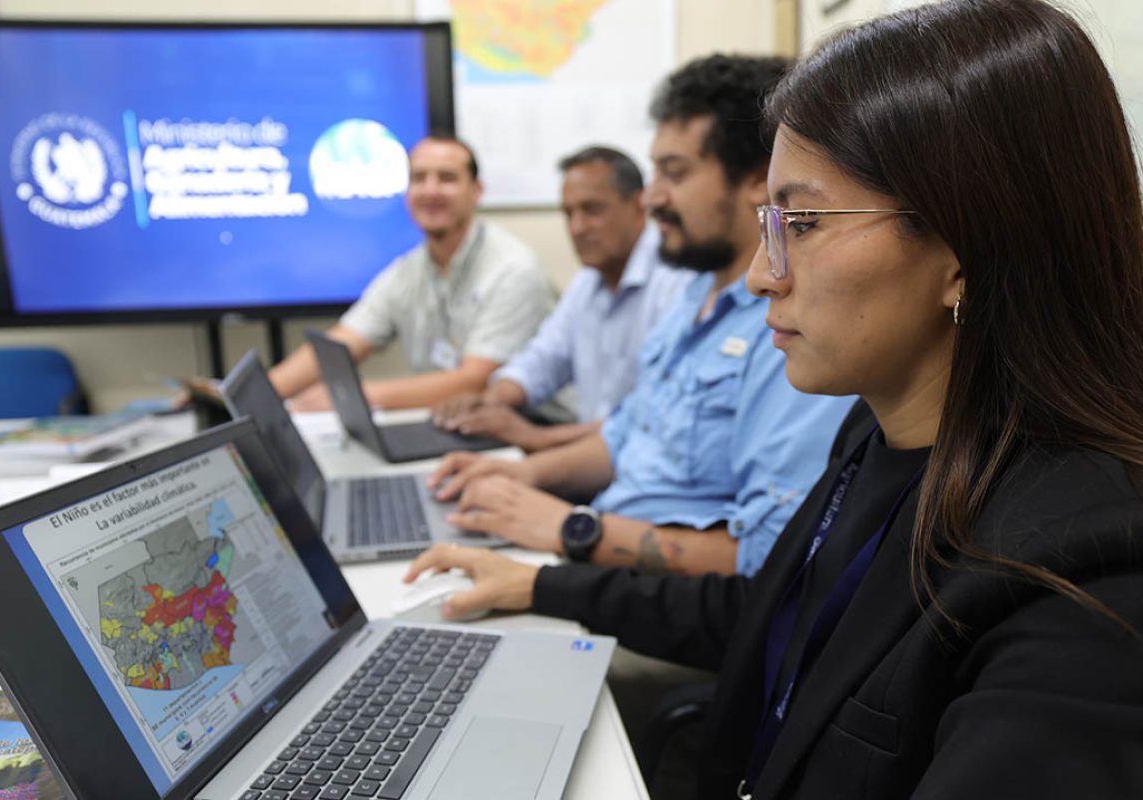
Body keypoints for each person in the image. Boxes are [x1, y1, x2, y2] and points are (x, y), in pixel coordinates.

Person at [405, 1, 1143, 797]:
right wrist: (544, 584)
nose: (762, 274)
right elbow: (772, 616)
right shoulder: (876, 432)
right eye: (770, 222)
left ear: (967, 248)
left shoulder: (1082, 582)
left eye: (804, 221)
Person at [428, 55, 854, 578]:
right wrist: (521, 475)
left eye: (675, 173)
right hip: (601, 548)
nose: (651, 196)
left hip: (646, 586)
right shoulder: (695, 293)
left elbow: (770, 559)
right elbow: (628, 436)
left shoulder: (789, 329)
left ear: (754, 180)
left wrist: (570, 529)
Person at [431, 145, 692, 452]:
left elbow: (653, 417)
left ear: (638, 205)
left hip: (639, 462)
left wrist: (536, 438)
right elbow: (543, 360)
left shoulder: (679, 283)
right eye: (568, 214)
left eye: (592, 210)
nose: (577, 228)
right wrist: (491, 400)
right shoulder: (587, 283)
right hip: (589, 456)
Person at [268, 133, 553, 411]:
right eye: (419, 178)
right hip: (460, 421)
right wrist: (261, 395)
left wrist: (355, 396)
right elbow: (345, 341)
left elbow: (476, 383)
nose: (430, 191)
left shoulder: (513, 270)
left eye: (447, 178)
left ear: (476, 191)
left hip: (536, 426)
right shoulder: (409, 271)